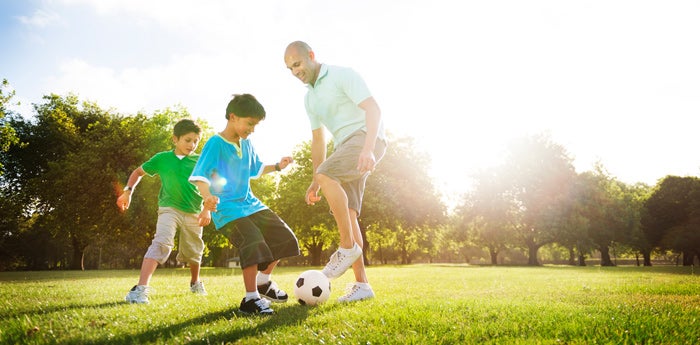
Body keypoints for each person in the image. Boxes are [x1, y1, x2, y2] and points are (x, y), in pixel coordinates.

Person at [283, 41, 387, 302]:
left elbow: (373, 109)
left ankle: (347, 247)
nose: (295, 71)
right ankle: (362, 286)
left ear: (311, 56)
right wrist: (315, 180)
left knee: (328, 175)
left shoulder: (342, 75)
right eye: (290, 68)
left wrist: (368, 148)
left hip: (364, 139)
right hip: (345, 148)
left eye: (297, 64)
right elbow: (319, 141)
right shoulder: (310, 98)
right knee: (349, 214)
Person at [189, 93, 300, 315]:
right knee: (252, 241)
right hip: (227, 208)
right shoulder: (215, 143)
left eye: (255, 125)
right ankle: (250, 299)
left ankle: (263, 282)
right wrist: (207, 196)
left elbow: (255, 169)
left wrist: (277, 166)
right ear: (233, 117)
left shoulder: (247, 143)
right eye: (250, 123)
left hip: (251, 204)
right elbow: (200, 175)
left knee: (285, 237)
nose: (252, 129)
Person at [117, 119, 210, 304]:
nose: (192, 145)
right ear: (175, 139)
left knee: (193, 250)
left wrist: (207, 209)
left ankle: (195, 282)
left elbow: (209, 187)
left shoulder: (200, 161)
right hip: (169, 208)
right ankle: (140, 290)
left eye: (196, 141)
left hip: (194, 211)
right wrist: (127, 191)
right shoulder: (162, 159)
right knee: (161, 243)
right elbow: (137, 172)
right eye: (187, 140)